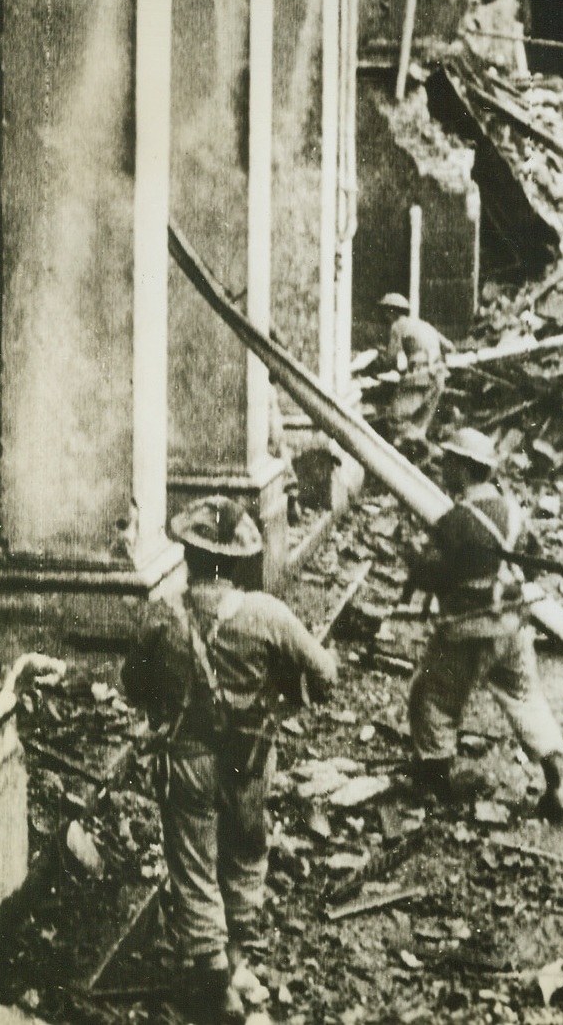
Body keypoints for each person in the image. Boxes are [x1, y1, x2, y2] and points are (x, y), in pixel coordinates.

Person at [122, 497, 338, 1022]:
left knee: (193, 865)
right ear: (241, 561)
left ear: (189, 556)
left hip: (188, 759)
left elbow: (132, 685)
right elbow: (325, 675)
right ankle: (235, 961)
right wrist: (289, 696)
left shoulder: (162, 615)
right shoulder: (268, 614)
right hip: (251, 756)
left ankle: (215, 983)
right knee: (245, 853)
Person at [403, 427, 563, 824]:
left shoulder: (455, 521)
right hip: (513, 627)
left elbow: (434, 577)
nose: (444, 470)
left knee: (434, 701)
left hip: (467, 631)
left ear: (463, 469)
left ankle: (436, 784)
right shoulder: (513, 511)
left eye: (449, 463)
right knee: (525, 698)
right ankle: (556, 780)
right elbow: (534, 557)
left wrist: (413, 558)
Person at [377, 292, 449, 450]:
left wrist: (378, 357)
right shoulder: (424, 325)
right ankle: (418, 456)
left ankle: (429, 450)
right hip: (438, 375)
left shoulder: (397, 325)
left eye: (385, 314)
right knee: (418, 425)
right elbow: (449, 347)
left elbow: (390, 358)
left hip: (421, 376)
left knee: (394, 418)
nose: (384, 319)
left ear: (391, 312)